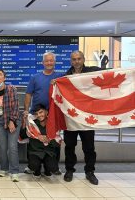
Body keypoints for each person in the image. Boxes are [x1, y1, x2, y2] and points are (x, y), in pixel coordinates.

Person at [63, 50, 101, 185]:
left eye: (79, 58)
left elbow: (108, 74)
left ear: (83, 59)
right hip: (71, 118)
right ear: (70, 61)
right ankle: (69, 170)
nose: (76, 61)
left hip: (87, 118)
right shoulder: (65, 77)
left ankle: (90, 172)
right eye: (74, 59)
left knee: (89, 147)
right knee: (69, 146)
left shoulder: (92, 72)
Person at [23, 52, 63, 175]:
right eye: (47, 61)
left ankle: (53, 166)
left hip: (53, 114)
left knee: (54, 139)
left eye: (51, 60)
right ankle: (32, 166)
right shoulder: (35, 78)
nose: (49, 63)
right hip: (36, 114)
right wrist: (26, 110)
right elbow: (28, 94)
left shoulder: (59, 78)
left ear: (54, 62)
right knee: (34, 140)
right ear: (42, 62)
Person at [27, 104, 60, 179]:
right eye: (36, 113)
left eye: (41, 112)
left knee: (53, 167)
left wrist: (49, 140)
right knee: (33, 165)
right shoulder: (32, 123)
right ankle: (37, 170)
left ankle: (47, 170)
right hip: (36, 151)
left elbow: (58, 142)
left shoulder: (52, 124)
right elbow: (24, 135)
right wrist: (37, 136)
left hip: (49, 152)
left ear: (46, 112)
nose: (39, 115)